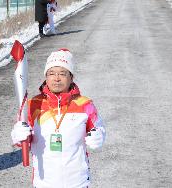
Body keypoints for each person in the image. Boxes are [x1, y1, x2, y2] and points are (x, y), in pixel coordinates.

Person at [11, 49, 106, 187]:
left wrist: (99, 136)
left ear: (71, 77)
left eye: (62, 73)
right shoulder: (33, 105)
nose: (56, 78)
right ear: (46, 77)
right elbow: (22, 141)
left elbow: (98, 128)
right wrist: (18, 135)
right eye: (51, 73)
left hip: (77, 182)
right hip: (44, 182)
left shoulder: (85, 104)